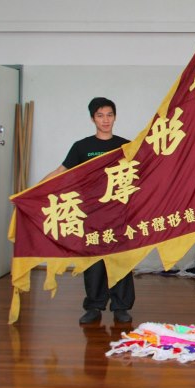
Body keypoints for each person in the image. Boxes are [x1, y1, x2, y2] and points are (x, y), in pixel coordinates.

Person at [41, 97, 134, 325]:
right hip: (91, 215)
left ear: (115, 117)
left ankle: (121, 307)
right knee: (93, 263)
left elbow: (146, 171)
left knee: (121, 261)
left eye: (109, 115)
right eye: (100, 116)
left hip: (118, 214)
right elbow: (60, 171)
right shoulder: (82, 147)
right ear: (93, 119)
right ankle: (93, 306)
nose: (105, 120)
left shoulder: (126, 146)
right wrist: (32, 191)